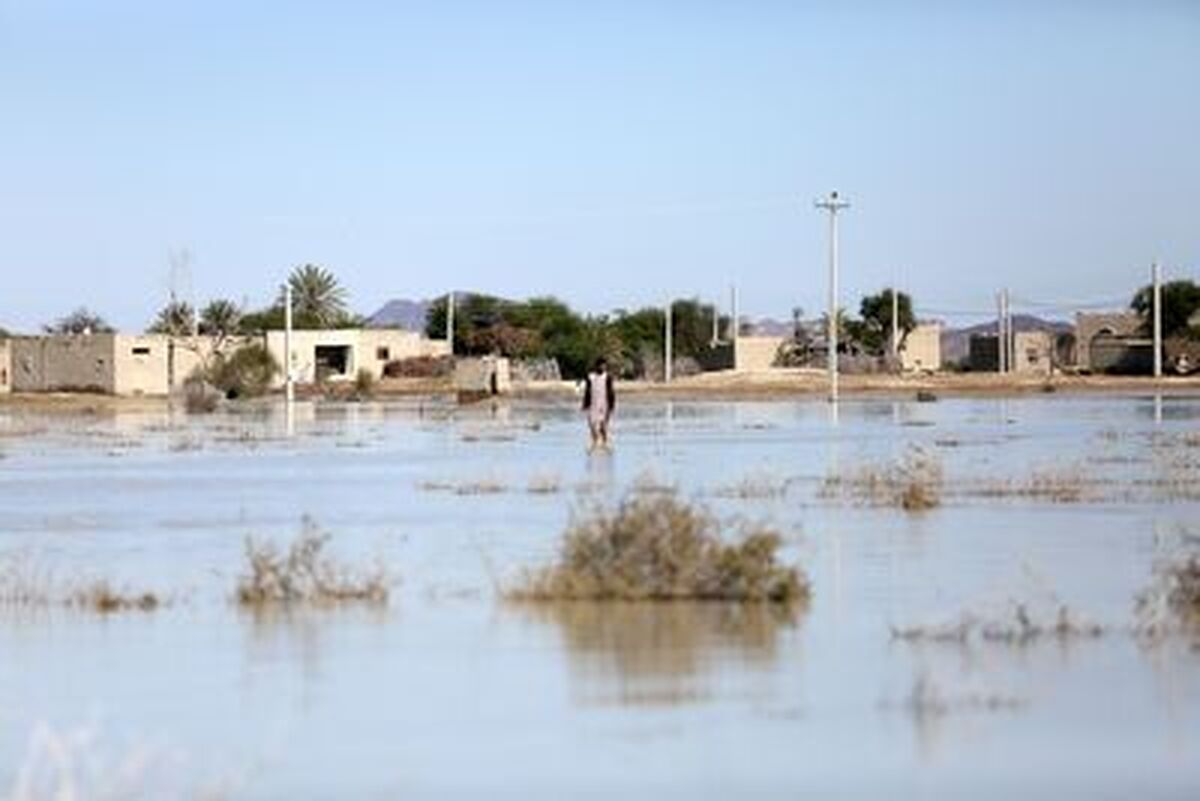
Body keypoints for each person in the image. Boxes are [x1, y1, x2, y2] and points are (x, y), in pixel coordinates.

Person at [582, 357, 616, 451]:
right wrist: (585, 404)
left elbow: (611, 391)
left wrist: (612, 405)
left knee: (602, 425)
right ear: (597, 366)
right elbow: (587, 391)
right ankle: (594, 442)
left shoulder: (608, 377)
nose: (603, 367)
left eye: (605, 365)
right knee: (592, 425)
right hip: (592, 403)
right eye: (601, 365)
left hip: (604, 404)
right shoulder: (590, 377)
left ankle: (605, 443)